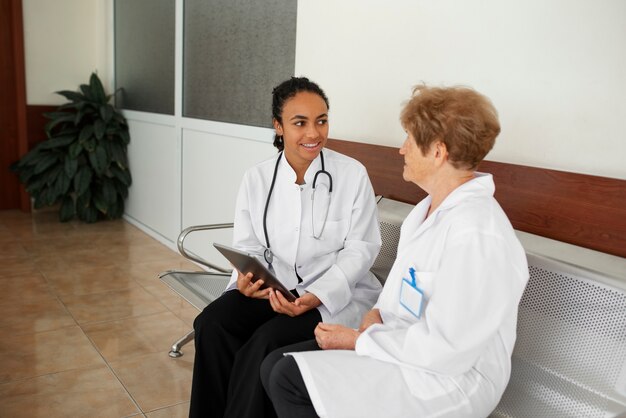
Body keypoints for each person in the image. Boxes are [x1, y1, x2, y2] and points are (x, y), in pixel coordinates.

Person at [262, 85, 530, 418]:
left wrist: (360, 340)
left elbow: (448, 349)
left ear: (437, 152)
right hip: (403, 347)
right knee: (275, 363)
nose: (401, 149)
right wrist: (378, 315)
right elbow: (410, 291)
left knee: (288, 378)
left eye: (409, 139)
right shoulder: (429, 211)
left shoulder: (477, 234)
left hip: (450, 381)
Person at [189, 76, 382, 418]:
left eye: (321, 120)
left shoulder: (352, 175)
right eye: (300, 123)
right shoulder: (257, 178)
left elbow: (362, 249)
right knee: (212, 323)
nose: (314, 133)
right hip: (273, 289)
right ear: (278, 126)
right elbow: (247, 245)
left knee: (264, 342)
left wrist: (318, 294)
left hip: (331, 297)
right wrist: (244, 283)